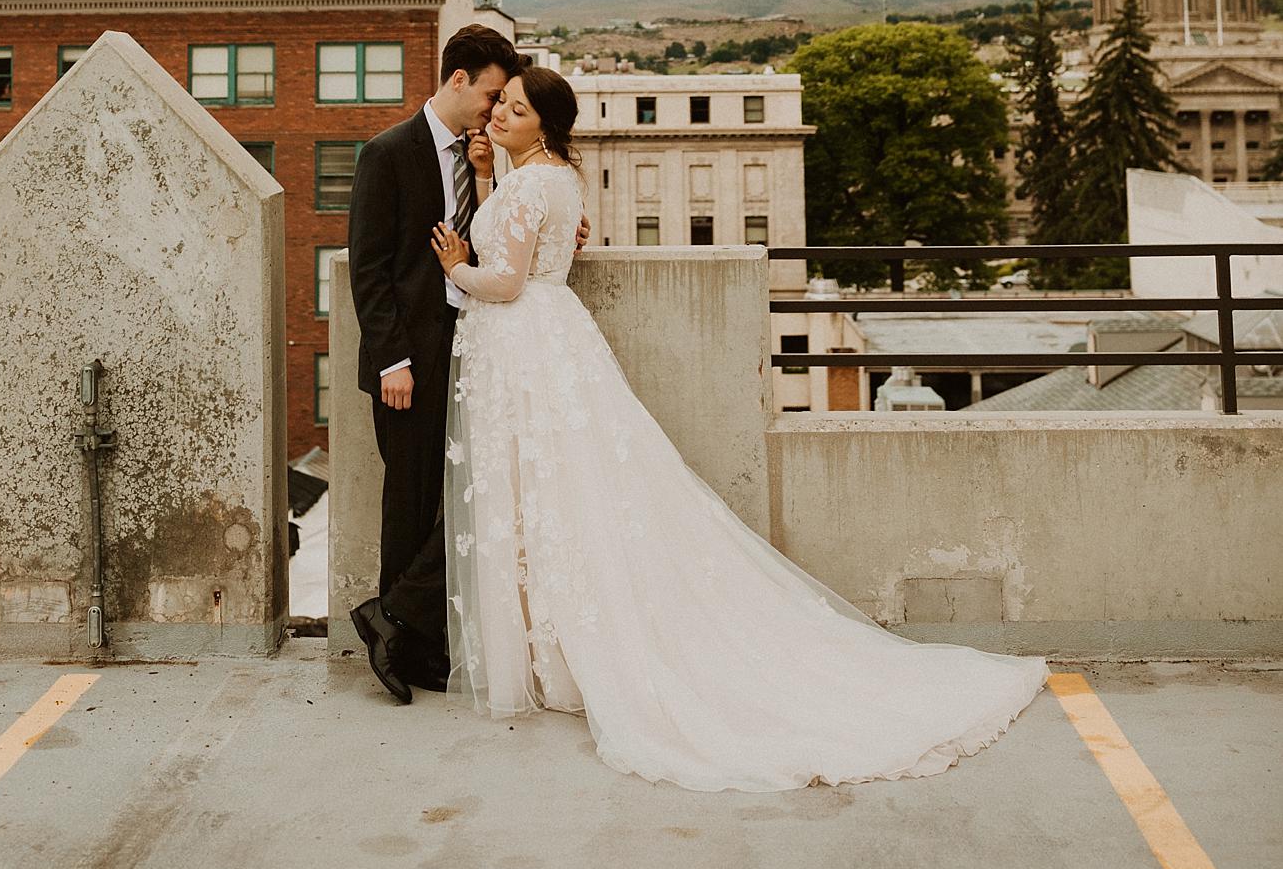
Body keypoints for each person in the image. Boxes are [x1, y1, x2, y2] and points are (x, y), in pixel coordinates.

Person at [432, 66, 1048, 792]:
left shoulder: (529, 185)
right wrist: (492, 173)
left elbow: (506, 282)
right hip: (559, 335)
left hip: (526, 343)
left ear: (545, 124)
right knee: (579, 493)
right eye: (500, 104)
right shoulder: (562, 179)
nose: (499, 114)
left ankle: (560, 655)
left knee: (545, 496)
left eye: (515, 109)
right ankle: (570, 648)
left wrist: (458, 264)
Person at [345, 23, 520, 703]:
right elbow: (370, 268)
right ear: (457, 80)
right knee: (411, 500)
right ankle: (395, 639)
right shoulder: (388, 153)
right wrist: (393, 360)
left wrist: (488, 175)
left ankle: (410, 636)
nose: (495, 108)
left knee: (458, 500)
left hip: (471, 347)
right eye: (491, 93)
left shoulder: (484, 159)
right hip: (409, 360)